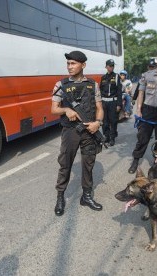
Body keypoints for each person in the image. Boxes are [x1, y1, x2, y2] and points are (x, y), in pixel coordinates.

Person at [51, 50, 104, 216]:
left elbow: (100, 109)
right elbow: (53, 109)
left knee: (89, 164)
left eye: (73, 63)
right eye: (68, 63)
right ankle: (60, 196)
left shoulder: (93, 85)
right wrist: (66, 109)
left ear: (83, 65)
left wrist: (98, 123)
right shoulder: (61, 85)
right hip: (70, 131)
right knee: (65, 164)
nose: (69, 67)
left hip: (89, 131)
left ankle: (86, 196)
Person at [99, 59, 122, 146]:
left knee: (113, 121)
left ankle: (112, 138)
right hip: (104, 102)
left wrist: (119, 104)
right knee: (104, 121)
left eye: (113, 66)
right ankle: (106, 136)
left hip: (113, 102)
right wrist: (99, 103)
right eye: (110, 66)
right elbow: (100, 91)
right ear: (106, 67)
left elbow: (119, 91)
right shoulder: (103, 78)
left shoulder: (116, 76)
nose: (112, 67)